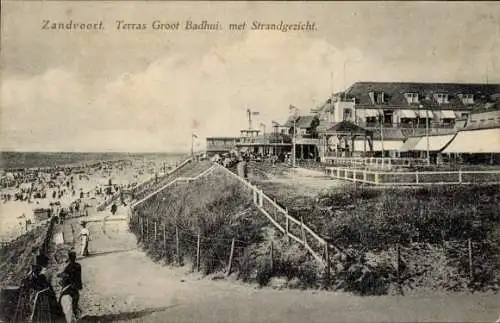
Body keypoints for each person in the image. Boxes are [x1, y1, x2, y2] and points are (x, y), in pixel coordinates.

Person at [57, 251, 82, 322]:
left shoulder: (68, 267)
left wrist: (59, 275)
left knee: (62, 300)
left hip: (69, 288)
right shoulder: (78, 265)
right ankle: (76, 315)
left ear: (69, 258)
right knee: (75, 302)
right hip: (76, 287)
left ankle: (68, 318)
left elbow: (63, 275)